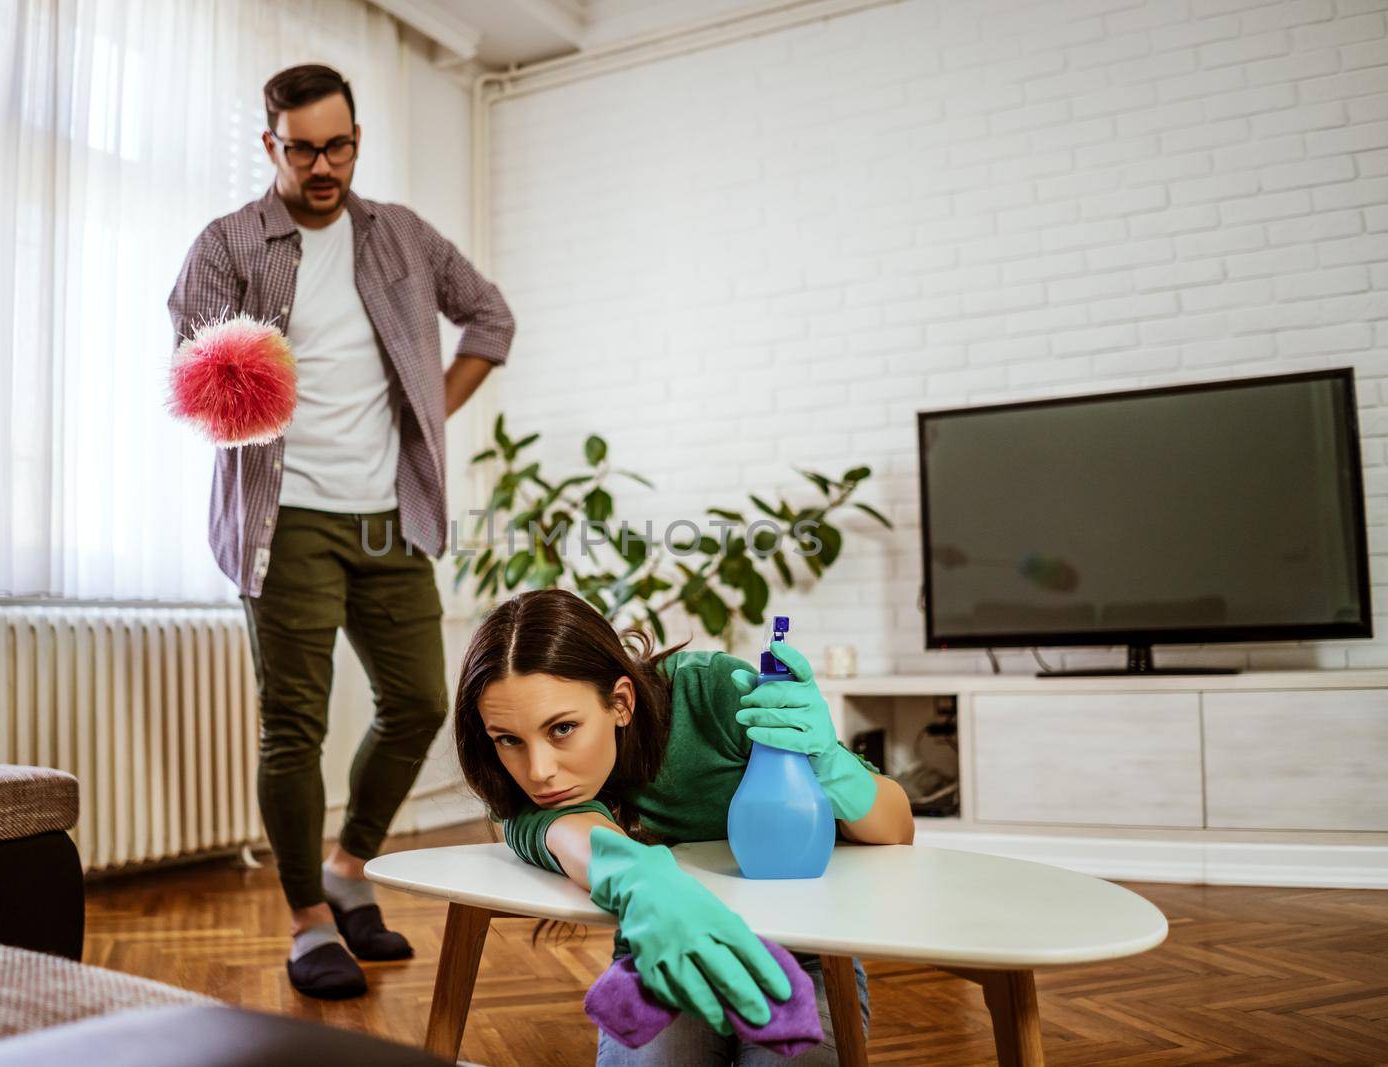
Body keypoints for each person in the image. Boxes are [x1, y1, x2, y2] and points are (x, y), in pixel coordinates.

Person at [167, 63, 515, 1000]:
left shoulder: (401, 234)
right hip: (288, 522)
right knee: (296, 724)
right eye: (305, 147)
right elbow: (197, 376)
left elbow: (490, 319)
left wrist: (430, 417)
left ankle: (349, 867)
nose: (326, 165)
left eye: (342, 144)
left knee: (420, 703)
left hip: (390, 518)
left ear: (357, 137)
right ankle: (308, 918)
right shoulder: (230, 244)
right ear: (270, 143)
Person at [453, 588, 916, 1065]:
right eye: (509, 739)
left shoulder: (714, 694)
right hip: (665, 957)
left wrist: (830, 764)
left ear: (620, 702)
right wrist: (642, 885)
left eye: (563, 728)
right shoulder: (518, 785)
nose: (538, 771)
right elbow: (576, 835)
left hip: (807, 955)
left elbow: (897, 829)